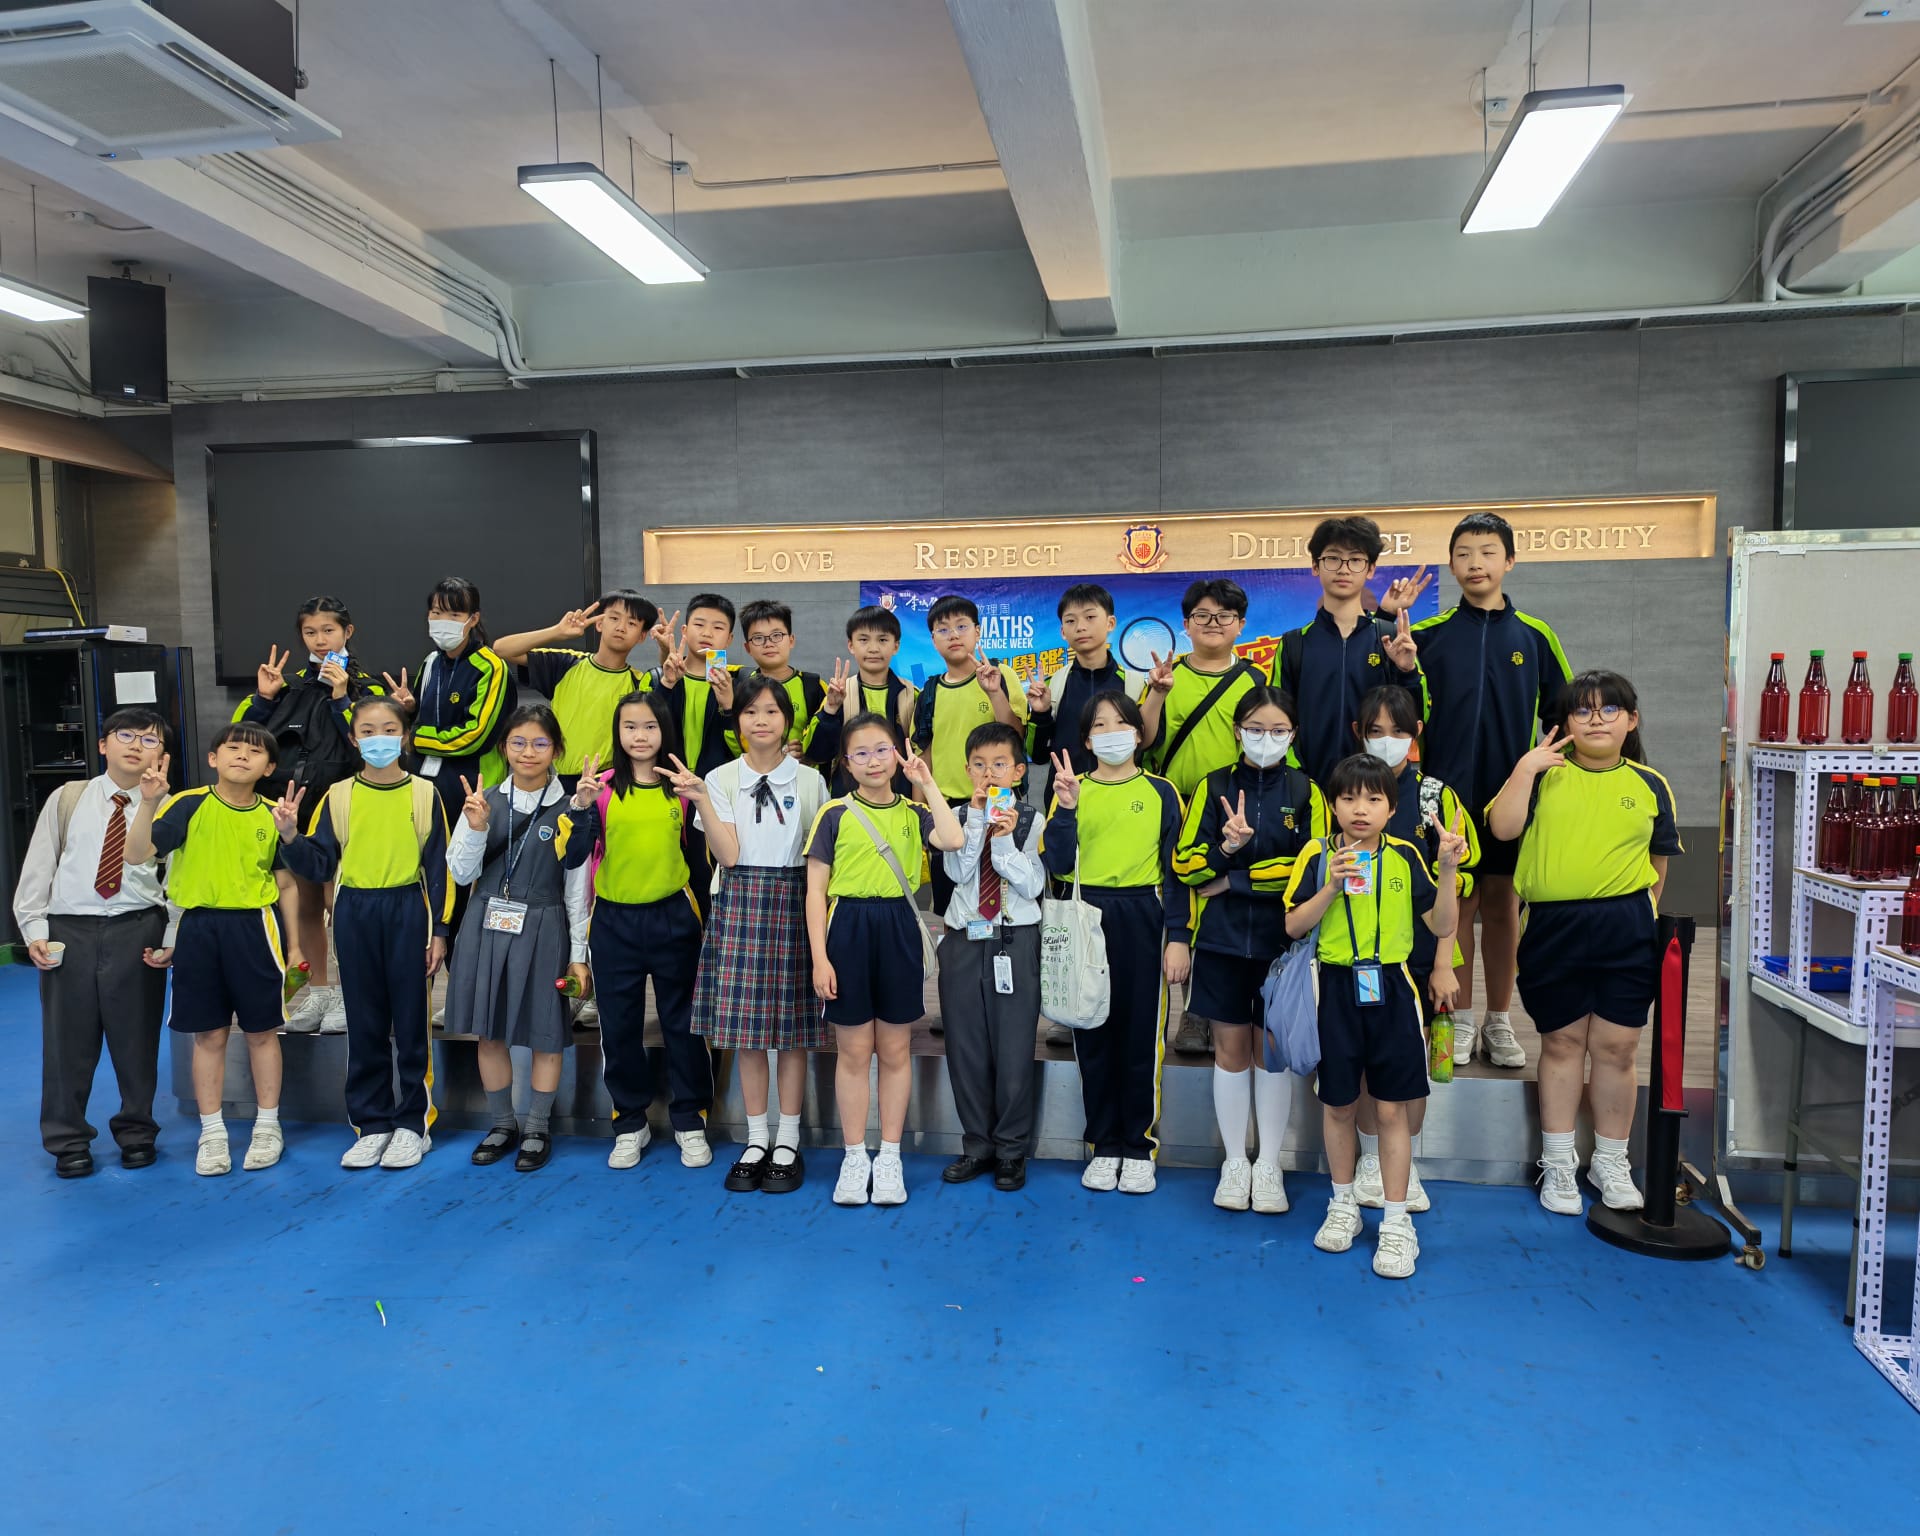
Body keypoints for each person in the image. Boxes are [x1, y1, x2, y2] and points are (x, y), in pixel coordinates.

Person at [1376, 513, 1572, 1071]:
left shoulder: (1535, 636)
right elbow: (1401, 708)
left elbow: (1563, 718)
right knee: (1456, 902)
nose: (1475, 563)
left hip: (1511, 798)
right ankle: (1458, 1016)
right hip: (1448, 797)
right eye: (1463, 554)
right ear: (1451, 563)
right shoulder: (1431, 635)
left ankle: (1499, 1018)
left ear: (1509, 561)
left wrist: (1544, 782)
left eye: (1487, 552)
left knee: (1503, 904)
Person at [1487, 670, 1681, 1217]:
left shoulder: (1651, 784)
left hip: (1627, 929)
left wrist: (1637, 913)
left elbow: (1658, 862)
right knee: (1563, 1043)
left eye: (1609, 709)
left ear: (1632, 720)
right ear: (1566, 721)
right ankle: (1558, 1162)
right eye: (1583, 710)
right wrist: (1525, 768)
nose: (1596, 719)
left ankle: (1610, 1161)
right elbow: (1502, 829)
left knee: (1618, 1047)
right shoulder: (1542, 774)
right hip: (1554, 927)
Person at [1284, 755, 1466, 1280]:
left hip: (1392, 989)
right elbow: (1293, 926)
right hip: (1335, 990)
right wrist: (1330, 887)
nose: (1359, 809)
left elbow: (1442, 924)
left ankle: (1395, 1220)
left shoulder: (1406, 856)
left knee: (1391, 1111)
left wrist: (1448, 870)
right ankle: (1342, 1203)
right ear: (1333, 805)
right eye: (1348, 798)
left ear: (1391, 808)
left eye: (1373, 799)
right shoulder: (1316, 854)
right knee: (1339, 1104)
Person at [277, 696, 451, 1171]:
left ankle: (413, 1125)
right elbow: (319, 864)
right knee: (365, 1022)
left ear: (405, 736)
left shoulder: (425, 793)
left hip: (408, 910)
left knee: (412, 1025)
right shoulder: (338, 796)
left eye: (389, 729)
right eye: (368, 731)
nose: (379, 739)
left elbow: (440, 869)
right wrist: (290, 837)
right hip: (355, 912)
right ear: (353, 739)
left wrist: (439, 931)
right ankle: (372, 1124)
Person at [671, 674, 830, 1194]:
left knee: (793, 1032)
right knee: (747, 1034)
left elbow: (818, 859)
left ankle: (789, 1139)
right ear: (737, 721)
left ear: (788, 721)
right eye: (750, 712)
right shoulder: (719, 777)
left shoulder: (811, 781)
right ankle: (756, 1138)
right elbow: (729, 855)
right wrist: (701, 800)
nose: (761, 721)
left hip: (795, 900)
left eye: (771, 711)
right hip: (739, 899)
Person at [1173, 686, 1327, 1215]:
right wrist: (1226, 848)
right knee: (1231, 1053)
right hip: (1220, 942)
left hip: (1283, 945)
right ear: (1238, 731)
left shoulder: (1307, 791)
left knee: (1271, 1054)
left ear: (1293, 735)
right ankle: (1236, 1161)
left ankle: (1270, 1165)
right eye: (1256, 729)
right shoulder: (1212, 786)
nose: (1267, 739)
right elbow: (1187, 865)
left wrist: (1235, 879)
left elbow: (1310, 869)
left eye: (1278, 730)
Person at [805, 714, 965, 1208]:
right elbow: (814, 892)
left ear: (898, 754)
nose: (873, 761)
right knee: (853, 1052)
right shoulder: (834, 813)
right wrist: (819, 959)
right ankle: (855, 1156)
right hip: (847, 929)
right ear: (846, 762)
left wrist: (927, 783)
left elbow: (954, 840)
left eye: (882, 750)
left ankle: (890, 1156)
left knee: (895, 1051)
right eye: (861, 753)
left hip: (899, 927)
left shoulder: (916, 812)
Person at [123, 723, 296, 1178]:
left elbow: (286, 884)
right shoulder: (188, 804)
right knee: (209, 1035)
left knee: (262, 1032)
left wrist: (296, 943)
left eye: (254, 752)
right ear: (213, 758)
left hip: (256, 928)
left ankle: (268, 1126)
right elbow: (136, 855)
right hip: (199, 928)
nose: (242, 756)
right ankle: (212, 1131)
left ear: (269, 767)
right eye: (232, 748)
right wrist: (148, 803)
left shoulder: (274, 815)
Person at [13, 708, 176, 1178]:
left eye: (150, 740)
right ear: (103, 745)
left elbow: (177, 880)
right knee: (66, 1040)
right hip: (70, 930)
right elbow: (39, 865)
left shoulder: (170, 805)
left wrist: (170, 935)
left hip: (138, 927)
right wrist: (35, 929)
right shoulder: (68, 798)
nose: (137, 745)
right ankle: (67, 1140)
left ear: (161, 754)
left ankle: (137, 1131)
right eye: (126, 736)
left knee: (137, 1038)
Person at [1041, 692, 1192, 1196]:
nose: (1112, 733)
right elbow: (1057, 863)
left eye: (1122, 723)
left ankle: (1139, 1146)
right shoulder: (1073, 788)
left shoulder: (1161, 792)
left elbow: (1176, 873)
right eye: (1100, 726)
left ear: (1139, 733)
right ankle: (1103, 1144)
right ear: (1086, 740)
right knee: (1092, 1034)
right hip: (1087, 915)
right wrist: (1066, 810)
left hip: (1143, 916)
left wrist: (1178, 937)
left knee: (1140, 1038)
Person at [1347, 684, 1481, 1214]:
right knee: (1365, 1063)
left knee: (1412, 1066)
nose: (1387, 740)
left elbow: (1458, 885)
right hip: (1362, 956)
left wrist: (1444, 963)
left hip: (1423, 956)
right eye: (1376, 731)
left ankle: (1407, 1163)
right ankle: (1369, 1160)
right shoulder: (1346, 793)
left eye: (1399, 731)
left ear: (1416, 734)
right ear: (1359, 734)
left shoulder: (1436, 797)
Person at [444, 705, 593, 1173]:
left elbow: (578, 889)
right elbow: (460, 873)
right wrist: (476, 828)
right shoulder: (483, 801)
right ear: (504, 748)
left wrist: (579, 954)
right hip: (486, 923)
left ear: (557, 749)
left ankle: (537, 1127)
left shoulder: (571, 808)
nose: (529, 752)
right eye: (519, 742)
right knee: (489, 1032)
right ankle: (502, 1124)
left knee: (547, 1035)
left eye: (540, 743)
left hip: (546, 925)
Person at [569, 691, 714, 1171]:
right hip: (614, 922)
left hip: (674, 919)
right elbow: (573, 858)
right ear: (618, 732)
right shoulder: (601, 788)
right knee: (619, 1026)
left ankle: (690, 1118)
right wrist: (581, 810)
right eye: (630, 726)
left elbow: (701, 862)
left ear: (664, 730)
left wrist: (708, 925)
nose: (640, 735)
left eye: (650, 726)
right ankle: (630, 1122)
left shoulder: (682, 788)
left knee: (684, 1024)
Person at [233, 596, 383, 1034]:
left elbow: (371, 747)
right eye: (310, 632)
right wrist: (264, 700)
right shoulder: (285, 684)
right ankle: (319, 993)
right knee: (305, 907)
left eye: (328, 631)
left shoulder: (368, 688)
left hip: (345, 808)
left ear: (347, 632)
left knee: (342, 905)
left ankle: (351, 995)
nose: (320, 640)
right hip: (291, 811)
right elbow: (243, 739)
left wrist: (342, 697)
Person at [1138, 577, 1263, 1057]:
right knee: (1175, 901)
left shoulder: (1254, 680)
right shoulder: (1165, 674)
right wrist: (1156, 693)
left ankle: (1201, 1008)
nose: (1213, 623)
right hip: (1174, 805)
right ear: (1186, 624)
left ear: (1240, 625)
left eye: (1224, 616)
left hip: (1229, 811)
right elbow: (1143, 741)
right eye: (1203, 616)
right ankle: (1175, 1009)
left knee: (1216, 904)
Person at [937, 721, 1046, 1192]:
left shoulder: (1033, 819)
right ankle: (977, 1145)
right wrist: (978, 822)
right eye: (979, 765)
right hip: (965, 938)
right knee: (965, 1048)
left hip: (1014, 939)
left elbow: (1034, 885)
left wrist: (1003, 839)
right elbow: (958, 871)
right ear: (967, 770)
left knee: (1014, 1048)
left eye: (999, 764)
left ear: (1018, 771)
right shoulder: (956, 816)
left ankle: (1011, 1151)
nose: (989, 773)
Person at [386, 576, 517, 918]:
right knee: (422, 875)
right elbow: (424, 717)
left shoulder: (491, 666)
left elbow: (477, 734)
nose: (443, 622)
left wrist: (416, 739)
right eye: (436, 613)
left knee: (460, 880)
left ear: (473, 619)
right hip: (423, 784)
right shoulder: (431, 661)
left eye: (454, 615)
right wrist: (410, 707)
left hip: (470, 789)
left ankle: (458, 946)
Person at [1273, 517, 1425, 787]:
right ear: (1315, 566)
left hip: (1376, 787)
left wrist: (1407, 672)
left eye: (1355, 560)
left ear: (1370, 569)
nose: (1343, 569)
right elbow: (1275, 717)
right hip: (1309, 787)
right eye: (1333, 558)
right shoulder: (1294, 643)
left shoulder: (1391, 638)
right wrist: (1297, 778)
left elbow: (1418, 716)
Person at [910, 594, 1027, 921]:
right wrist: (921, 815)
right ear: (933, 640)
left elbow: (1016, 736)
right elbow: (924, 759)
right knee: (951, 907)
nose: (954, 635)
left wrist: (994, 692)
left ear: (977, 632)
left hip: (997, 807)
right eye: (943, 629)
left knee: (1001, 904)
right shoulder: (929, 693)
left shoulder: (1000, 675)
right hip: (948, 814)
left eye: (962, 626)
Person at [490, 590, 660, 785]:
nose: (621, 627)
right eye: (614, 618)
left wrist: (664, 651)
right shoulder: (566, 663)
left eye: (632, 623)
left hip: (612, 782)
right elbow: (502, 649)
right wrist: (557, 631)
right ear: (599, 623)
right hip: (561, 780)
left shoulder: (640, 683)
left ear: (642, 636)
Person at [810, 604, 916, 797]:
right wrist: (831, 710)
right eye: (864, 640)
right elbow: (816, 754)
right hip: (849, 802)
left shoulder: (912, 695)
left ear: (896, 646)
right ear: (851, 645)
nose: (873, 648)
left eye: (882, 640)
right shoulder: (838, 694)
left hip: (901, 802)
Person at [1024, 582, 1128, 777]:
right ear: (1063, 632)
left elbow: (1146, 749)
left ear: (1110, 623)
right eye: (1071, 621)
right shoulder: (1053, 686)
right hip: (1063, 792)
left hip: (1120, 792)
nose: (1080, 627)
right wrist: (1041, 714)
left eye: (1090, 617)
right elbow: (1038, 755)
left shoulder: (1133, 684)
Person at [651, 594, 742, 776]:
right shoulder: (657, 678)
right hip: (664, 781)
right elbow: (644, 730)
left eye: (718, 627)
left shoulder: (738, 686)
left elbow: (743, 750)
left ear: (729, 639)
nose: (707, 633)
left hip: (717, 784)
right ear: (684, 631)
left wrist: (729, 708)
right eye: (699, 625)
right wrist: (666, 685)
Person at [739, 599, 830, 762]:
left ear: (791, 640)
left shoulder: (814, 687)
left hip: (805, 774)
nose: (768, 644)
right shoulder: (741, 687)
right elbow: (733, 741)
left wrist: (807, 751)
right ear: (747, 648)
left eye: (776, 636)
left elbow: (827, 739)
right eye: (758, 638)